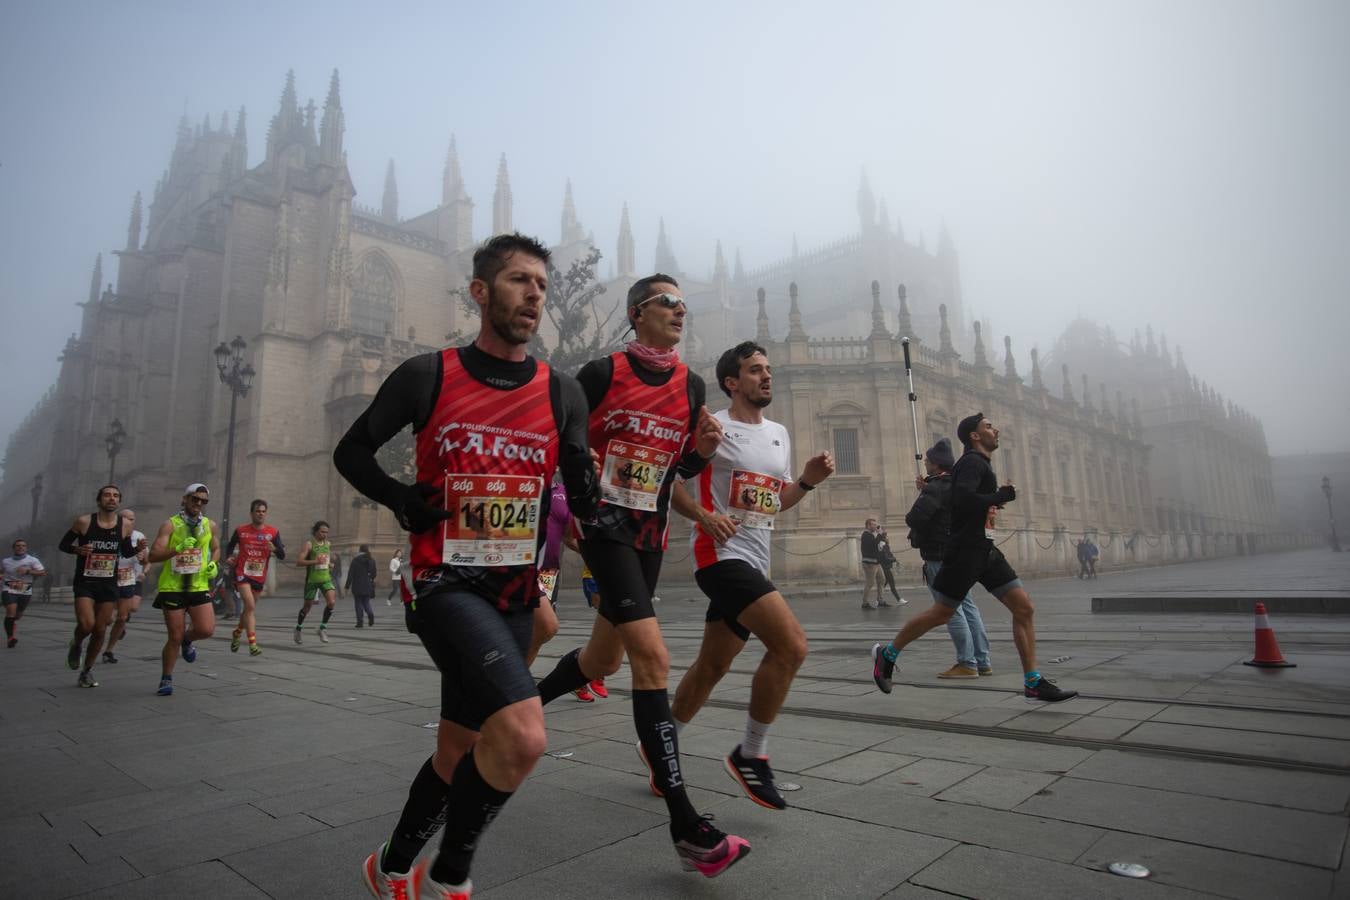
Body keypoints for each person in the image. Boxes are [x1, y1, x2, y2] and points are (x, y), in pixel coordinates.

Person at [334, 233, 604, 898]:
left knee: (460, 746)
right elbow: (352, 451)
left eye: (541, 284)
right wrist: (404, 500)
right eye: (518, 280)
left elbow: (583, 496)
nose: (533, 294)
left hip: (515, 590)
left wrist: (606, 494)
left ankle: (391, 864)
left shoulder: (562, 391)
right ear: (480, 292)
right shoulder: (429, 375)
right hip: (444, 581)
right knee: (524, 735)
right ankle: (451, 875)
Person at [533, 272, 751, 877]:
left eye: (685, 304)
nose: (680, 312)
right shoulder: (603, 374)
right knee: (651, 660)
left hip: (650, 536)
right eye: (668, 303)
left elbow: (672, 469)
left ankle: (513, 707)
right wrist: (577, 478)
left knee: (603, 661)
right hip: (604, 528)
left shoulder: (691, 384)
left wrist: (702, 453)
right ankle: (688, 827)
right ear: (637, 313)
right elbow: (557, 435)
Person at [669, 340, 835, 811]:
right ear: (731, 382)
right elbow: (671, 482)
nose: (766, 377)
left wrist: (805, 482)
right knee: (792, 645)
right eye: (755, 370)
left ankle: (662, 741)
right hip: (719, 557)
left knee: (712, 667)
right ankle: (751, 752)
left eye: (768, 370)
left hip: (755, 558)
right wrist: (703, 516)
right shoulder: (713, 427)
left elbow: (773, 503)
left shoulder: (779, 433)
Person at [872, 415, 1077, 702]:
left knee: (1024, 608)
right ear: (975, 436)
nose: (996, 430)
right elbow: (962, 499)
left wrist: (993, 501)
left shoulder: (976, 464)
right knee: (942, 613)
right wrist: (998, 495)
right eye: (988, 427)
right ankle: (888, 654)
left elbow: (967, 501)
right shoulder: (971, 462)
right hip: (965, 550)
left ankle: (1033, 681)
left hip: (985, 548)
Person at [906, 438, 992, 679]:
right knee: (968, 607)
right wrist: (927, 489)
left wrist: (925, 493)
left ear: (935, 464)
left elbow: (915, 518)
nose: (925, 463)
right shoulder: (958, 485)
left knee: (949, 610)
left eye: (928, 460)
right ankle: (983, 660)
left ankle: (967, 663)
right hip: (959, 553)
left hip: (938, 555)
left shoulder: (936, 487)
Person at [58, 484, 145, 687]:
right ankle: (77, 643)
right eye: (107, 495)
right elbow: (63, 545)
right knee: (87, 625)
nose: (111, 498)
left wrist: (137, 549)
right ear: (99, 500)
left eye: (115, 496)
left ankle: (86, 671)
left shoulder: (124, 525)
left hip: (109, 583)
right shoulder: (84, 521)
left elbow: (125, 551)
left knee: (99, 630)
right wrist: (78, 550)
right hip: (85, 582)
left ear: (119, 501)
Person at [146, 483, 219, 696]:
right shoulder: (170, 525)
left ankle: (189, 640)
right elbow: (153, 556)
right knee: (174, 636)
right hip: (172, 587)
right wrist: (176, 549)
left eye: (203, 501)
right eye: (195, 499)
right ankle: (166, 677)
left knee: (206, 630)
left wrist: (214, 563)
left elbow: (215, 549)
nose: (198, 504)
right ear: (185, 499)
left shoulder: (209, 525)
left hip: (198, 585)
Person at [224, 498, 285, 656]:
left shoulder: (273, 532)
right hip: (242, 573)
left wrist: (275, 549)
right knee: (250, 606)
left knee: (248, 610)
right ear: (251, 513)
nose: (261, 514)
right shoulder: (241, 530)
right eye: (258, 511)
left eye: (263, 511)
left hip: (259, 575)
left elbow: (283, 555)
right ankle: (252, 644)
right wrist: (229, 557)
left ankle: (237, 632)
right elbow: (230, 545)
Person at [102, 509, 148, 664]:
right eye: (127, 518)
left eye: (133, 519)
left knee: (122, 617)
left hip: (130, 579)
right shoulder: (107, 532)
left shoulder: (139, 536)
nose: (130, 521)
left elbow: (146, 560)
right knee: (107, 620)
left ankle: (109, 650)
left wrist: (143, 564)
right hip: (109, 579)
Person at [295, 521, 338, 644]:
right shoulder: (309, 544)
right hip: (312, 580)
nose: (325, 534)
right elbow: (299, 562)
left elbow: (326, 559)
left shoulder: (328, 544)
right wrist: (315, 562)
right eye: (322, 532)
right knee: (307, 607)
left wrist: (329, 565)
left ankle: (322, 628)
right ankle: (298, 629)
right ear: (316, 531)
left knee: (331, 602)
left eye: (326, 532)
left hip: (325, 578)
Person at [3, 538, 47, 648]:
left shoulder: (33, 560)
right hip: (9, 588)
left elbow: (42, 573)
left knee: (17, 615)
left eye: (23, 545)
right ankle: (10, 638)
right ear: (13, 548)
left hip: (25, 589)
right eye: (18, 545)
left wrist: (28, 571)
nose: (20, 547)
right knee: (10, 612)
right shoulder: (5, 561)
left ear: (26, 548)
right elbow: (1, 572)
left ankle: (12, 624)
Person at [859, 518, 891, 609]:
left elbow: (881, 545)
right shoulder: (866, 535)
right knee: (870, 583)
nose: (875, 526)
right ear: (868, 525)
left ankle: (880, 600)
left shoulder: (873, 535)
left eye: (875, 524)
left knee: (882, 580)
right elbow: (873, 544)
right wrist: (879, 535)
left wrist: (883, 535)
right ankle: (865, 603)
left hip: (876, 562)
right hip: (869, 563)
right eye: (873, 524)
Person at [347, 544, 378, 627]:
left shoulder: (355, 560)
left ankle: (360, 622)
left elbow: (350, 574)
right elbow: (374, 574)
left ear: (360, 550)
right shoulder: (372, 560)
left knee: (358, 603)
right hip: (368, 584)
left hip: (357, 585)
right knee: (366, 602)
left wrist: (347, 586)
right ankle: (370, 614)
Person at [876, 528, 907, 605]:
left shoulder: (882, 544)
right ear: (884, 537)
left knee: (884, 584)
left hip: (884, 566)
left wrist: (894, 559)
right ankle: (899, 599)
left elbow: (888, 554)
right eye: (886, 536)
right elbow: (885, 556)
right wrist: (894, 559)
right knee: (892, 584)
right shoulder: (883, 544)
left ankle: (878, 600)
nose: (887, 537)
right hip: (885, 567)